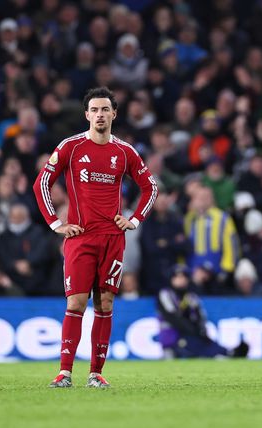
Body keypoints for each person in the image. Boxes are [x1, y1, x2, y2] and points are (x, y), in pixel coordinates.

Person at [33, 87, 158, 388]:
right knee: (76, 302)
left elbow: (150, 187)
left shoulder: (124, 152)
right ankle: (64, 372)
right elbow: (42, 183)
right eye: (95, 110)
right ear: (86, 114)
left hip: (112, 238)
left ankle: (95, 373)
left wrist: (134, 219)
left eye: (105, 110)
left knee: (105, 304)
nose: (100, 115)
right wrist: (55, 223)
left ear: (114, 113)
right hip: (80, 237)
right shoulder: (71, 147)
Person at [157, 264, 249, 358]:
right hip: (172, 337)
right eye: (177, 277)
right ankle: (227, 354)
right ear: (171, 279)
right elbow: (173, 317)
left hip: (190, 336)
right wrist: (194, 331)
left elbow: (199, 318)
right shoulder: (166, 294)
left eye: (184, 277)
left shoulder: (191, 297)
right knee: (196, 346)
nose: (181, 280)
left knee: (204, 343)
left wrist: (201, 332)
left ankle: (228, 352)